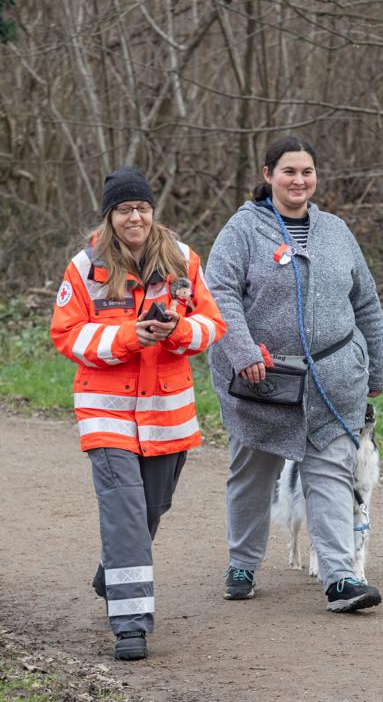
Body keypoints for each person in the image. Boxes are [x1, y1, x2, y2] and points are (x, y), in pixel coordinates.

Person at [205, 136, 383, 612]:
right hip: (262, 382)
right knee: (252, 476)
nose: (299, 180)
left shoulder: (336, 231)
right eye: (289, 171)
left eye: (307, 172)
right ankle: (242, 564)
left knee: (331, 473)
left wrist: (378, 368)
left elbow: (366, 301)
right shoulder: (242, 230)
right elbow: (219, 293)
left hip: (334, 380)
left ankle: (340, 578)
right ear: (268, 175)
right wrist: (243, 352)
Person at [50, 167, 226, 660]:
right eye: (125, 209)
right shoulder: (84, 268)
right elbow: (67, 335)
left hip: (167, 414)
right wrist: (131, 336)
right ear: (110, 215)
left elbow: (212, 325)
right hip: (106, 415)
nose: (135, 217)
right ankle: (131, 626)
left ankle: (113, 572)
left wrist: (175, 331)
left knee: (151, 508)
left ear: (153, 211)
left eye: (142, 208)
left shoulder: (183, 259)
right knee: (125, 513)